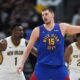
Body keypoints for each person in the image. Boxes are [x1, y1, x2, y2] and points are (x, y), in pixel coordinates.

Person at [17, 8, 80, 80]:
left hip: (59, 67)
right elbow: (28, 48)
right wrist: (21, 63)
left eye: (46, 14)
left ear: (52, 15)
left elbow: (78, 29)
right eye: (42, 15)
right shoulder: (37, 30)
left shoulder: (62, 27)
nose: (44, 17)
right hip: (42, 67)